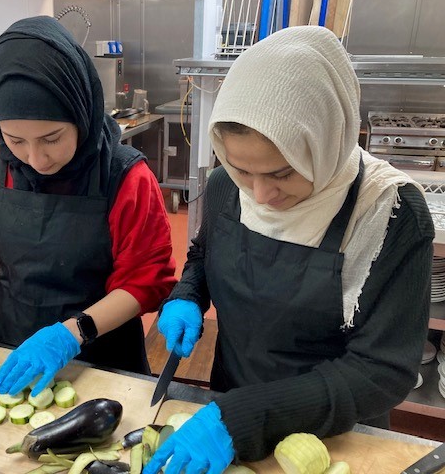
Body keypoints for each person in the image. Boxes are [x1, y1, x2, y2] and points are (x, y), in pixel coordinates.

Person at [144, 26, 434, 473]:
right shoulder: (225, 188)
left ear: (328, 140)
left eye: (282, 173)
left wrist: (246, 417)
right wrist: (186, 296)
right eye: (241, 169)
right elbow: (203, 256)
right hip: (229, 410)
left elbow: (382, 371)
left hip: (332, 434)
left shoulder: (389, 213)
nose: (260, 195)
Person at [0, 16, 176, 397]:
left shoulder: (125, 176)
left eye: (52, 138)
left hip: (104, 355)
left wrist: (71, 334)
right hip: (11, 345)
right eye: (15, 140)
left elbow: (145, 280)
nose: (37, 159)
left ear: (81, 113)